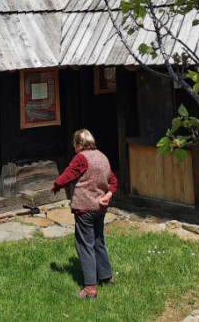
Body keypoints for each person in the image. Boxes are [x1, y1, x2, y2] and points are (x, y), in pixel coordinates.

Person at [52, 128, 118, 299]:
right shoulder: (102, 156)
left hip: (85, 208)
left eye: (74, 143)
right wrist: (108, 195)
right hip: (100, 208)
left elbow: (68, 175)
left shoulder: (81, 158)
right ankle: (107, 277)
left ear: (80, 143)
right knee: (98, 241)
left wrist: (56, 185)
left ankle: (90, 289)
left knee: (84, 245)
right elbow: (113, 181)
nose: (73, 146)